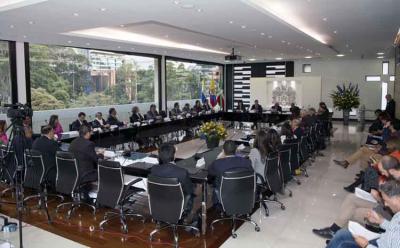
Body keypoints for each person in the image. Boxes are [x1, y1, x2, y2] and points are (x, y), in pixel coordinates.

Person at [313, 155, 400, 240]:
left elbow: (394, 209)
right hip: (383, 206)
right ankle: (335, 231)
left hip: (390, 215)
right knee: (351, 197)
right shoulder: (393, 177)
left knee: (353, 212)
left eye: (383, 171)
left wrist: (378, 197)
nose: (382, 174)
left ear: (391, 170)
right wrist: (379, 195)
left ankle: (337, 234)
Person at [326, 180, 400, 248]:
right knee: (341, 234)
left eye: (386, 200)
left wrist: (366, 245)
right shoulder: (397, 213)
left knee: (343, 245)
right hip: (380, 241)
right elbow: (394, 229)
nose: (386, 204)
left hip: (378, 245)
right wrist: (381, 221)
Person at [150, 143, 194, 213]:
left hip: (159, 203)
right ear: (174, 156)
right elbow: (190, 190)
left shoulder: (153, 169)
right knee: (191, 190)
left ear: (159, 156)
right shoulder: (182, 172)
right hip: (177, 204)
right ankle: (185, 213)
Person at [208, 140, 253, 205]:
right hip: (244, 194)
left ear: (223, 151)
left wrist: (218, 159)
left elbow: (210, 172)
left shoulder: (217, 164)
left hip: (224, 197)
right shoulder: (247, 162)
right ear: (236, 150)